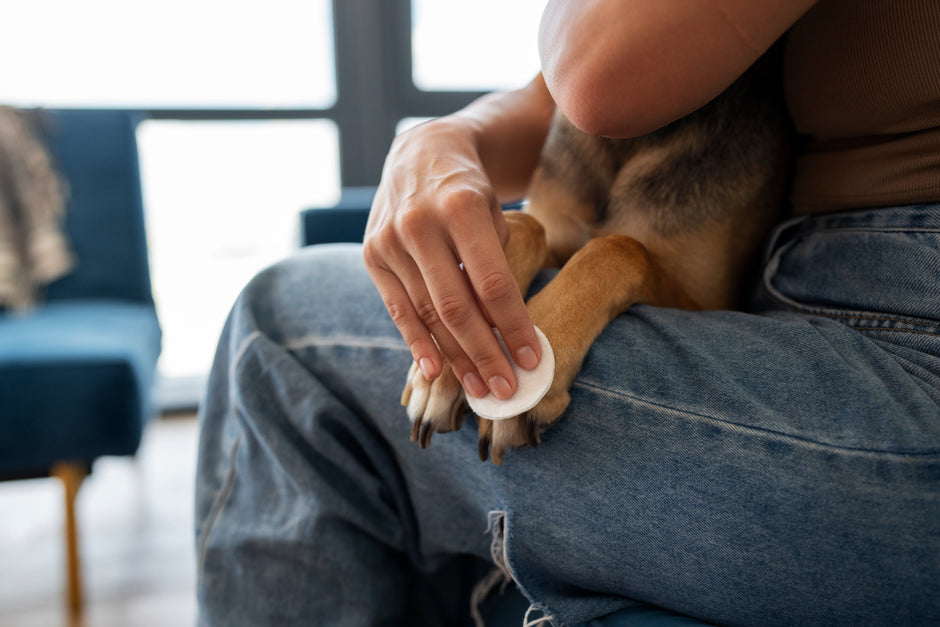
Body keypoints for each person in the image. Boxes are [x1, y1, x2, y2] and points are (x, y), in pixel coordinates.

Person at [195, 1, 940, 624]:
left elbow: (595, 77)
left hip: (903, 341)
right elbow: (552, 97)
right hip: (817, 297)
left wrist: (606, 269)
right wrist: (439, 140)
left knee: (281, 327)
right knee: (514, 238)